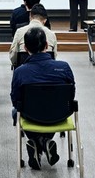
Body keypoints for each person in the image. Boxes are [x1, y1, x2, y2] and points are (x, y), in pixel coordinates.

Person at [11, 27, 75, 170]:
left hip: (31, 115)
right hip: (59, 115)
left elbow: (15, 100)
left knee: (15, 111)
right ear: (47, 45)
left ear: (25, 48)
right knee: (49, 109)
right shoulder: (64, 67)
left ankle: (37, 142)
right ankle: (45, 141)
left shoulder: (20, 72)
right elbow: (71, 95)